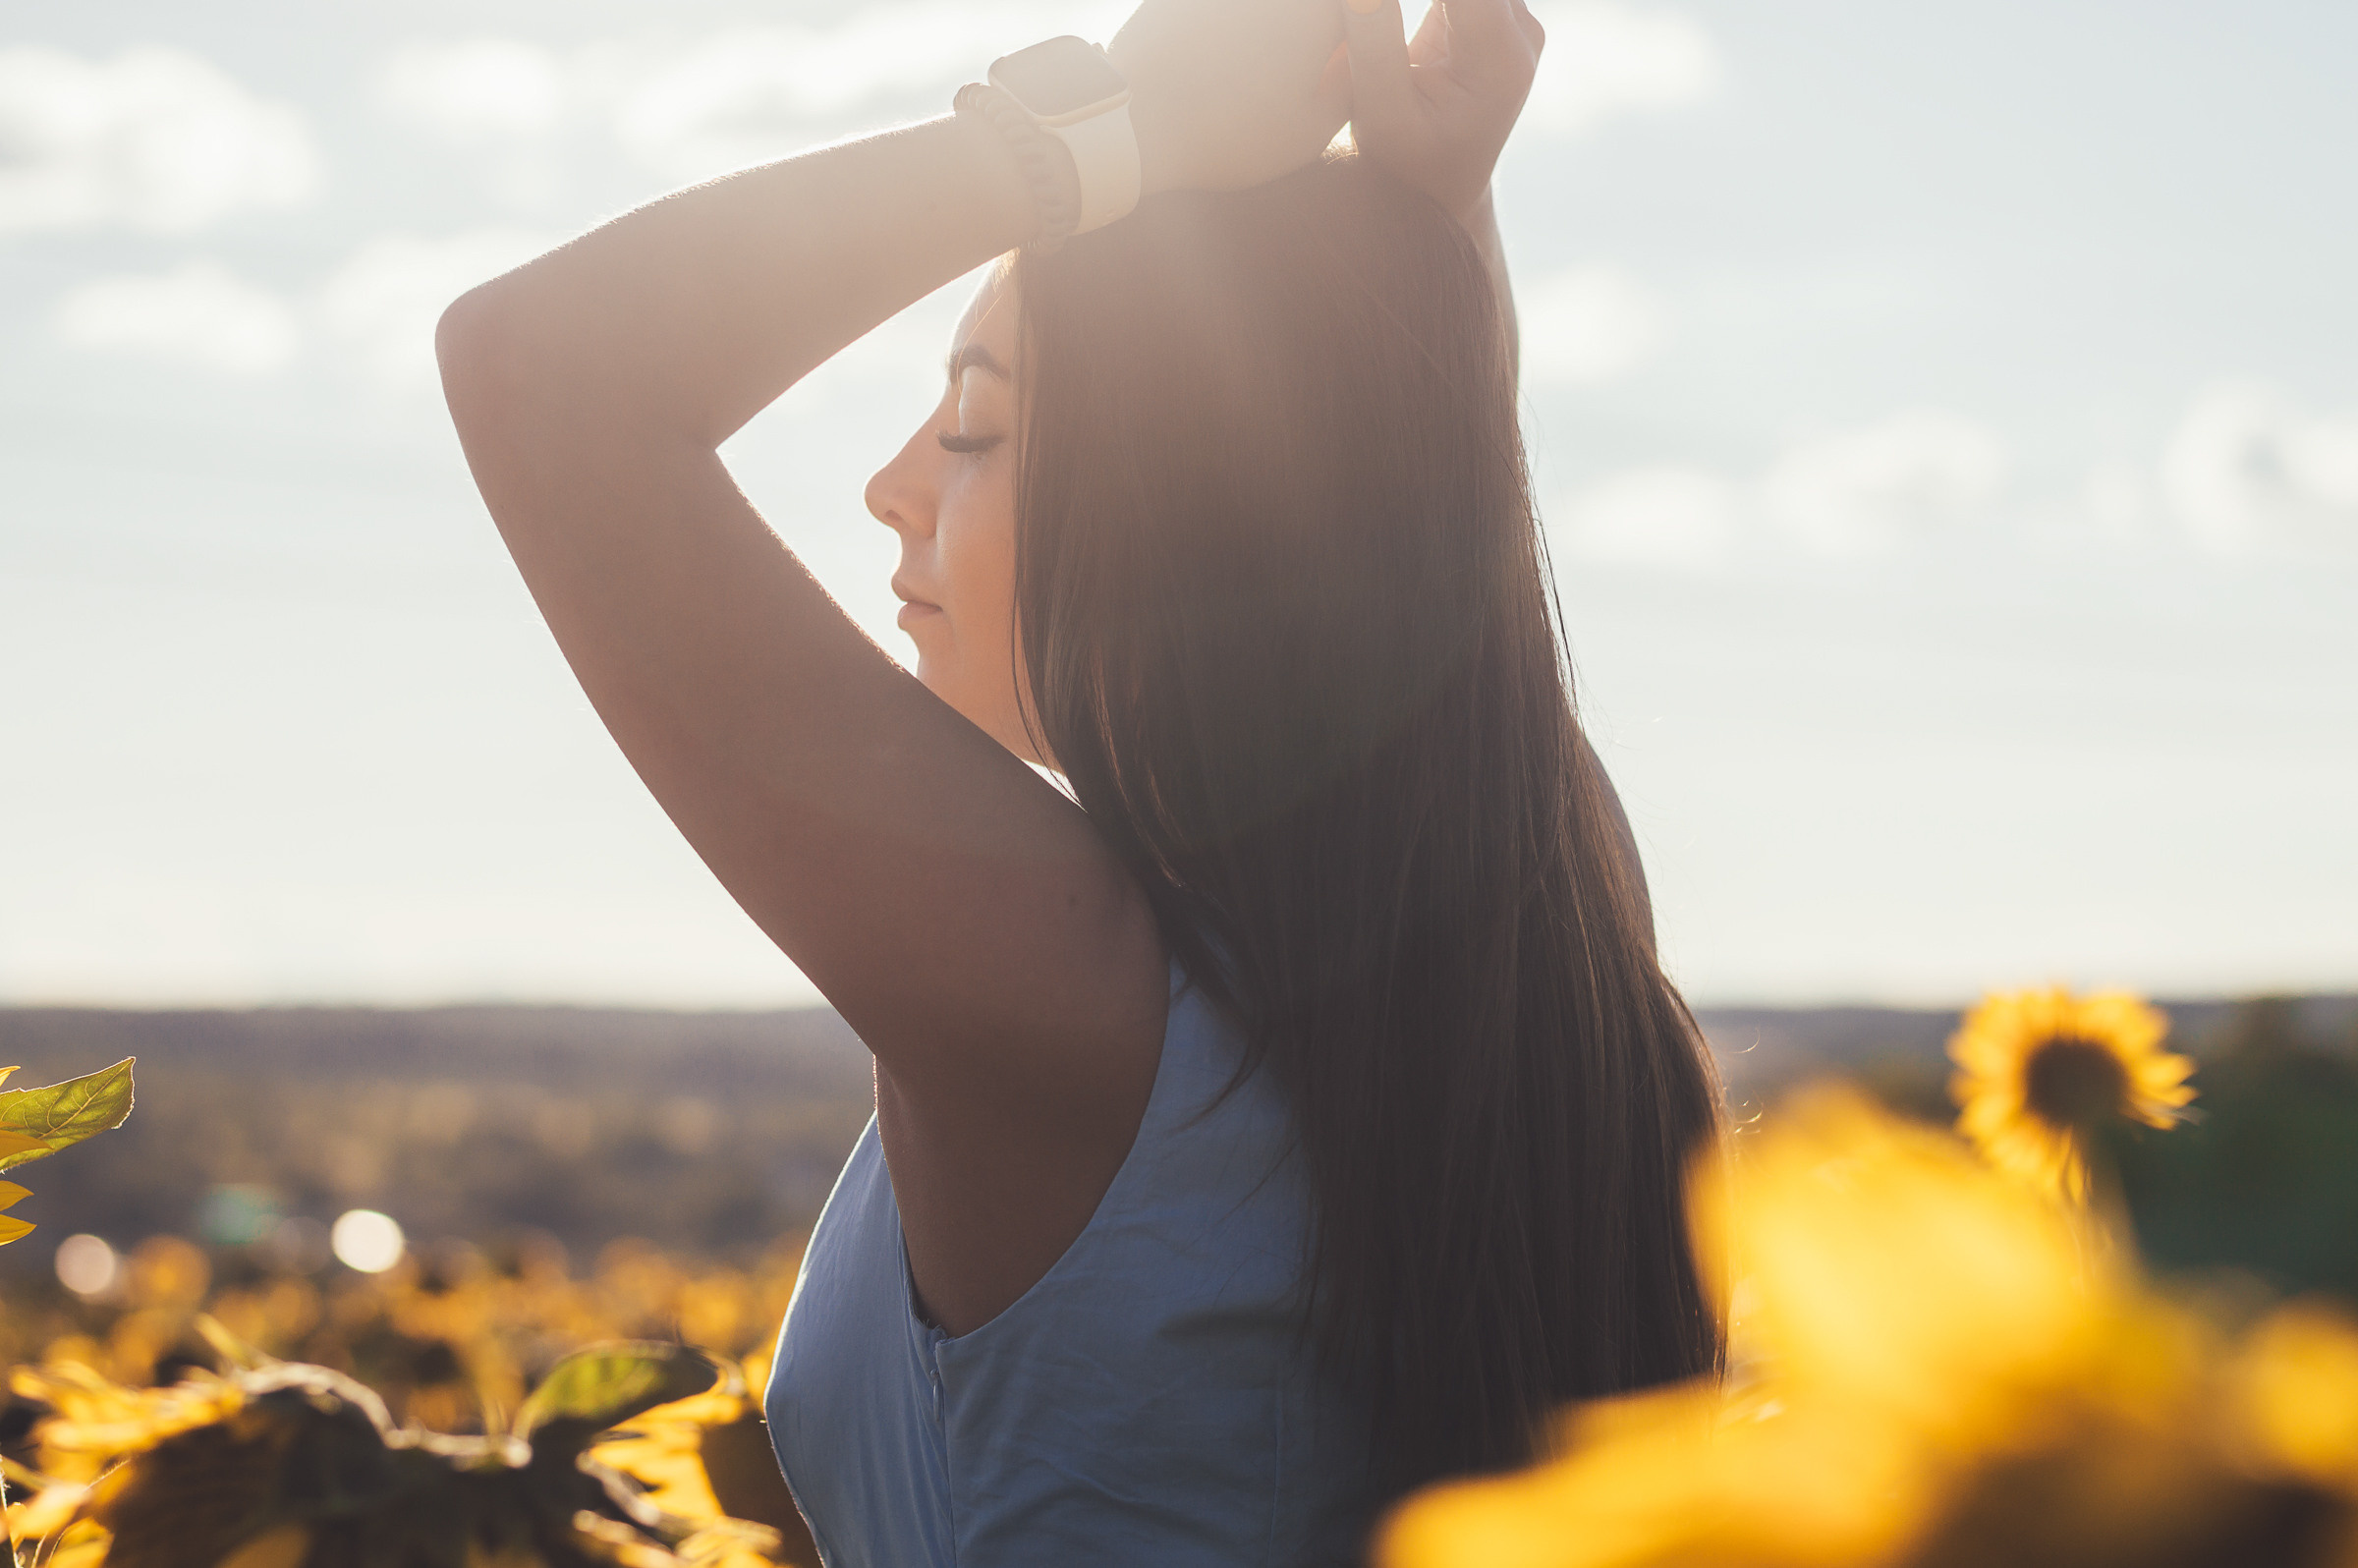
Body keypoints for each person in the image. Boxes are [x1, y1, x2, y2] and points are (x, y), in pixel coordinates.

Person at [437, 0, 1722, 1560]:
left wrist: (1109, 140)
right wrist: (1422, 216)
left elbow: (543, 370)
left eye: (974, 425)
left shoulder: (1074, 997)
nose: (891, 482)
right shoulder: (1539, 927)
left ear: (1189, 517)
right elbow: (1423, 563)